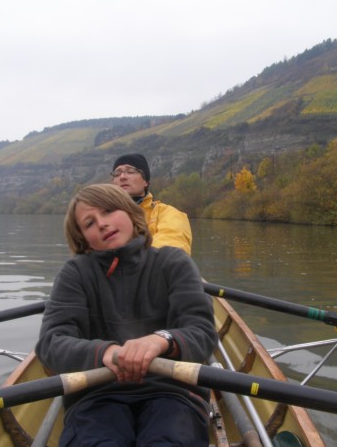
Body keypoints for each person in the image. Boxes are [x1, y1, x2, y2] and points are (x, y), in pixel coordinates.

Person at [35, 183, 217, 446]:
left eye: (109, 211)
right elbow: (51, 344)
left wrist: (160, 340)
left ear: (132, 213)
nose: (102, 224)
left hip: (174, 393)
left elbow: (202, 332)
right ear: (83, 239)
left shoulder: (173, 263)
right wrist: (107, 353)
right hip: (96, 396)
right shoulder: (75, 274)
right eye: (89, 223)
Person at [111, 153, 193, 255]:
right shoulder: (100, 215)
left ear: (146, 182)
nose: (122, 177)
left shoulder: (168, 214)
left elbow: (172, 246)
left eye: (130, 171)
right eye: (117, 174)